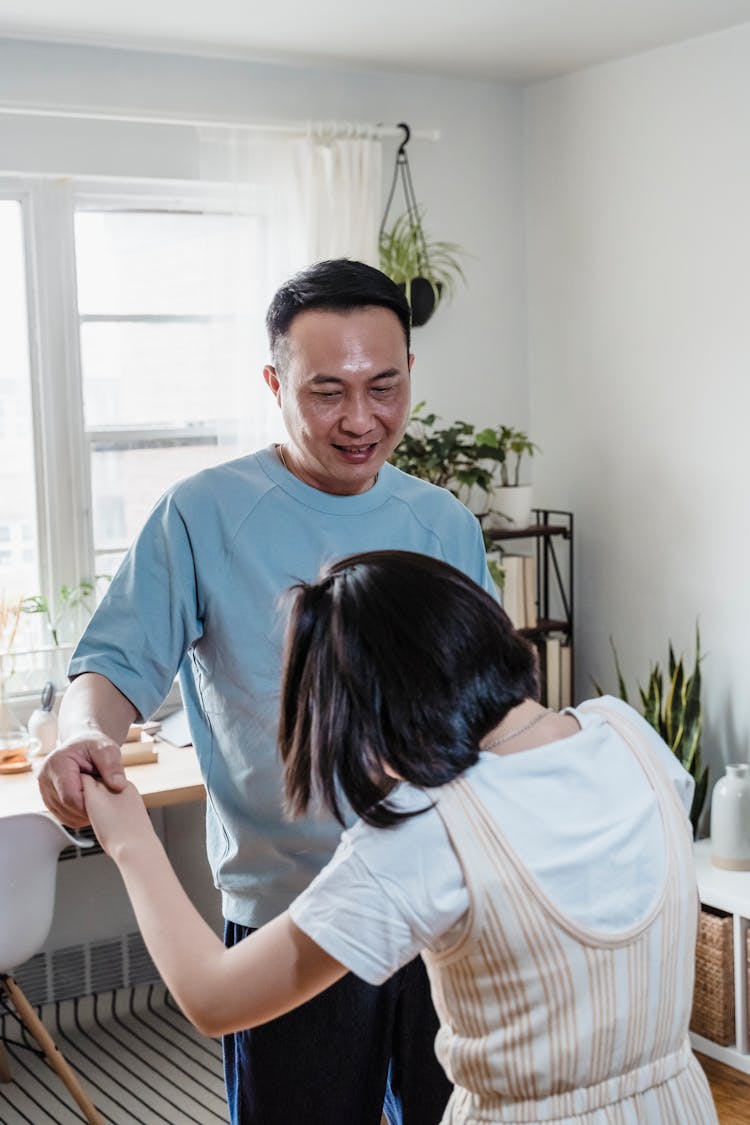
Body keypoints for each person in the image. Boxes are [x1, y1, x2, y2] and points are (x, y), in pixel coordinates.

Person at [39, 259, 497, 1125]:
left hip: (445, 905)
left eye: (384, 386)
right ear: (273, 381)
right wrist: (82, 736)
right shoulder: (201, 513)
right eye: (327, 391)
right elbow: (108, 668)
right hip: (294, 912)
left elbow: (485, 709)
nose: (361, 420)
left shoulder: (445, 523)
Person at [82, 549, 718, 1125]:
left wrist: (129, 837)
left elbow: (215, 996)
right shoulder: (629, 736)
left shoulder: (426, 828)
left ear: (368, 709)